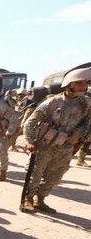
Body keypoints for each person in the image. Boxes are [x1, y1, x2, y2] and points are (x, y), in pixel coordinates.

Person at [22, 67, 91, 213]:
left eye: (86, 83)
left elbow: (85, 125)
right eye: (80, 83)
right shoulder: (53, 102)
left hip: (65, 147)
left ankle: (40, 199)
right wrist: (30, 141)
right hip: (44, 146)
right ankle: (28, 198)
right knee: (35, 174)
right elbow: (30, 122)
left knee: (55, 176)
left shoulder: (85, 104)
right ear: (69, 84)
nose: (84, 86)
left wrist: (79, 143)